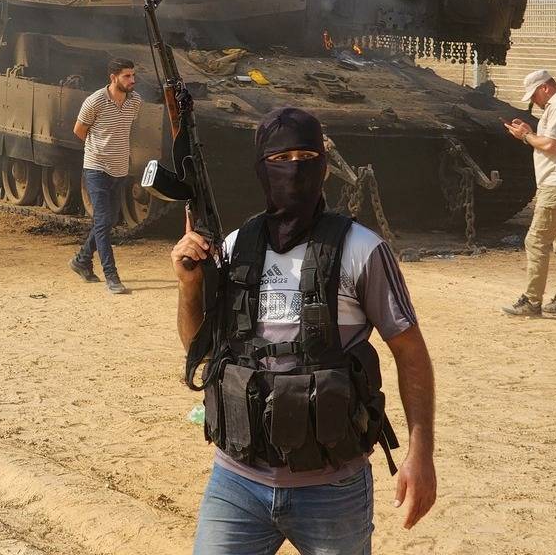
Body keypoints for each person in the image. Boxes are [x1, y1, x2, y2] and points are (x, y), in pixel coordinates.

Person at [171, 107, 437, 554]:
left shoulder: (361, 249)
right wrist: (189, 285)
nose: (294, 168)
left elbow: (410, 351)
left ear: (325, 167)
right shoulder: (238, 246)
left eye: (306, 155)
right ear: (261, 168)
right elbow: (200, 349)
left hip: (332, 490)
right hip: (237, 482)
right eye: (280, 158)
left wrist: (421, 453)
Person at [502, 70, 556, 318]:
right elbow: (550, 141)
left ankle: (531, 301)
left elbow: (552, 145)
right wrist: (530, 133)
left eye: (534, 95)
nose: (534, 102)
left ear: (545, 88)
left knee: (536, 241)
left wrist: (526, 135)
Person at [69, 57, 141, 294]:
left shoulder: (135, 102)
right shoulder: (96, 101)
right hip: (96, 168)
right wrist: (98, 149)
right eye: (127, 76)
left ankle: (81, 260)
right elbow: (79, 131)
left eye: (133, 75)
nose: (132, 80)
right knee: (102, 220)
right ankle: (112, 276)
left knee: (108, 220)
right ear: (113, 78)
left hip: (120, 169)